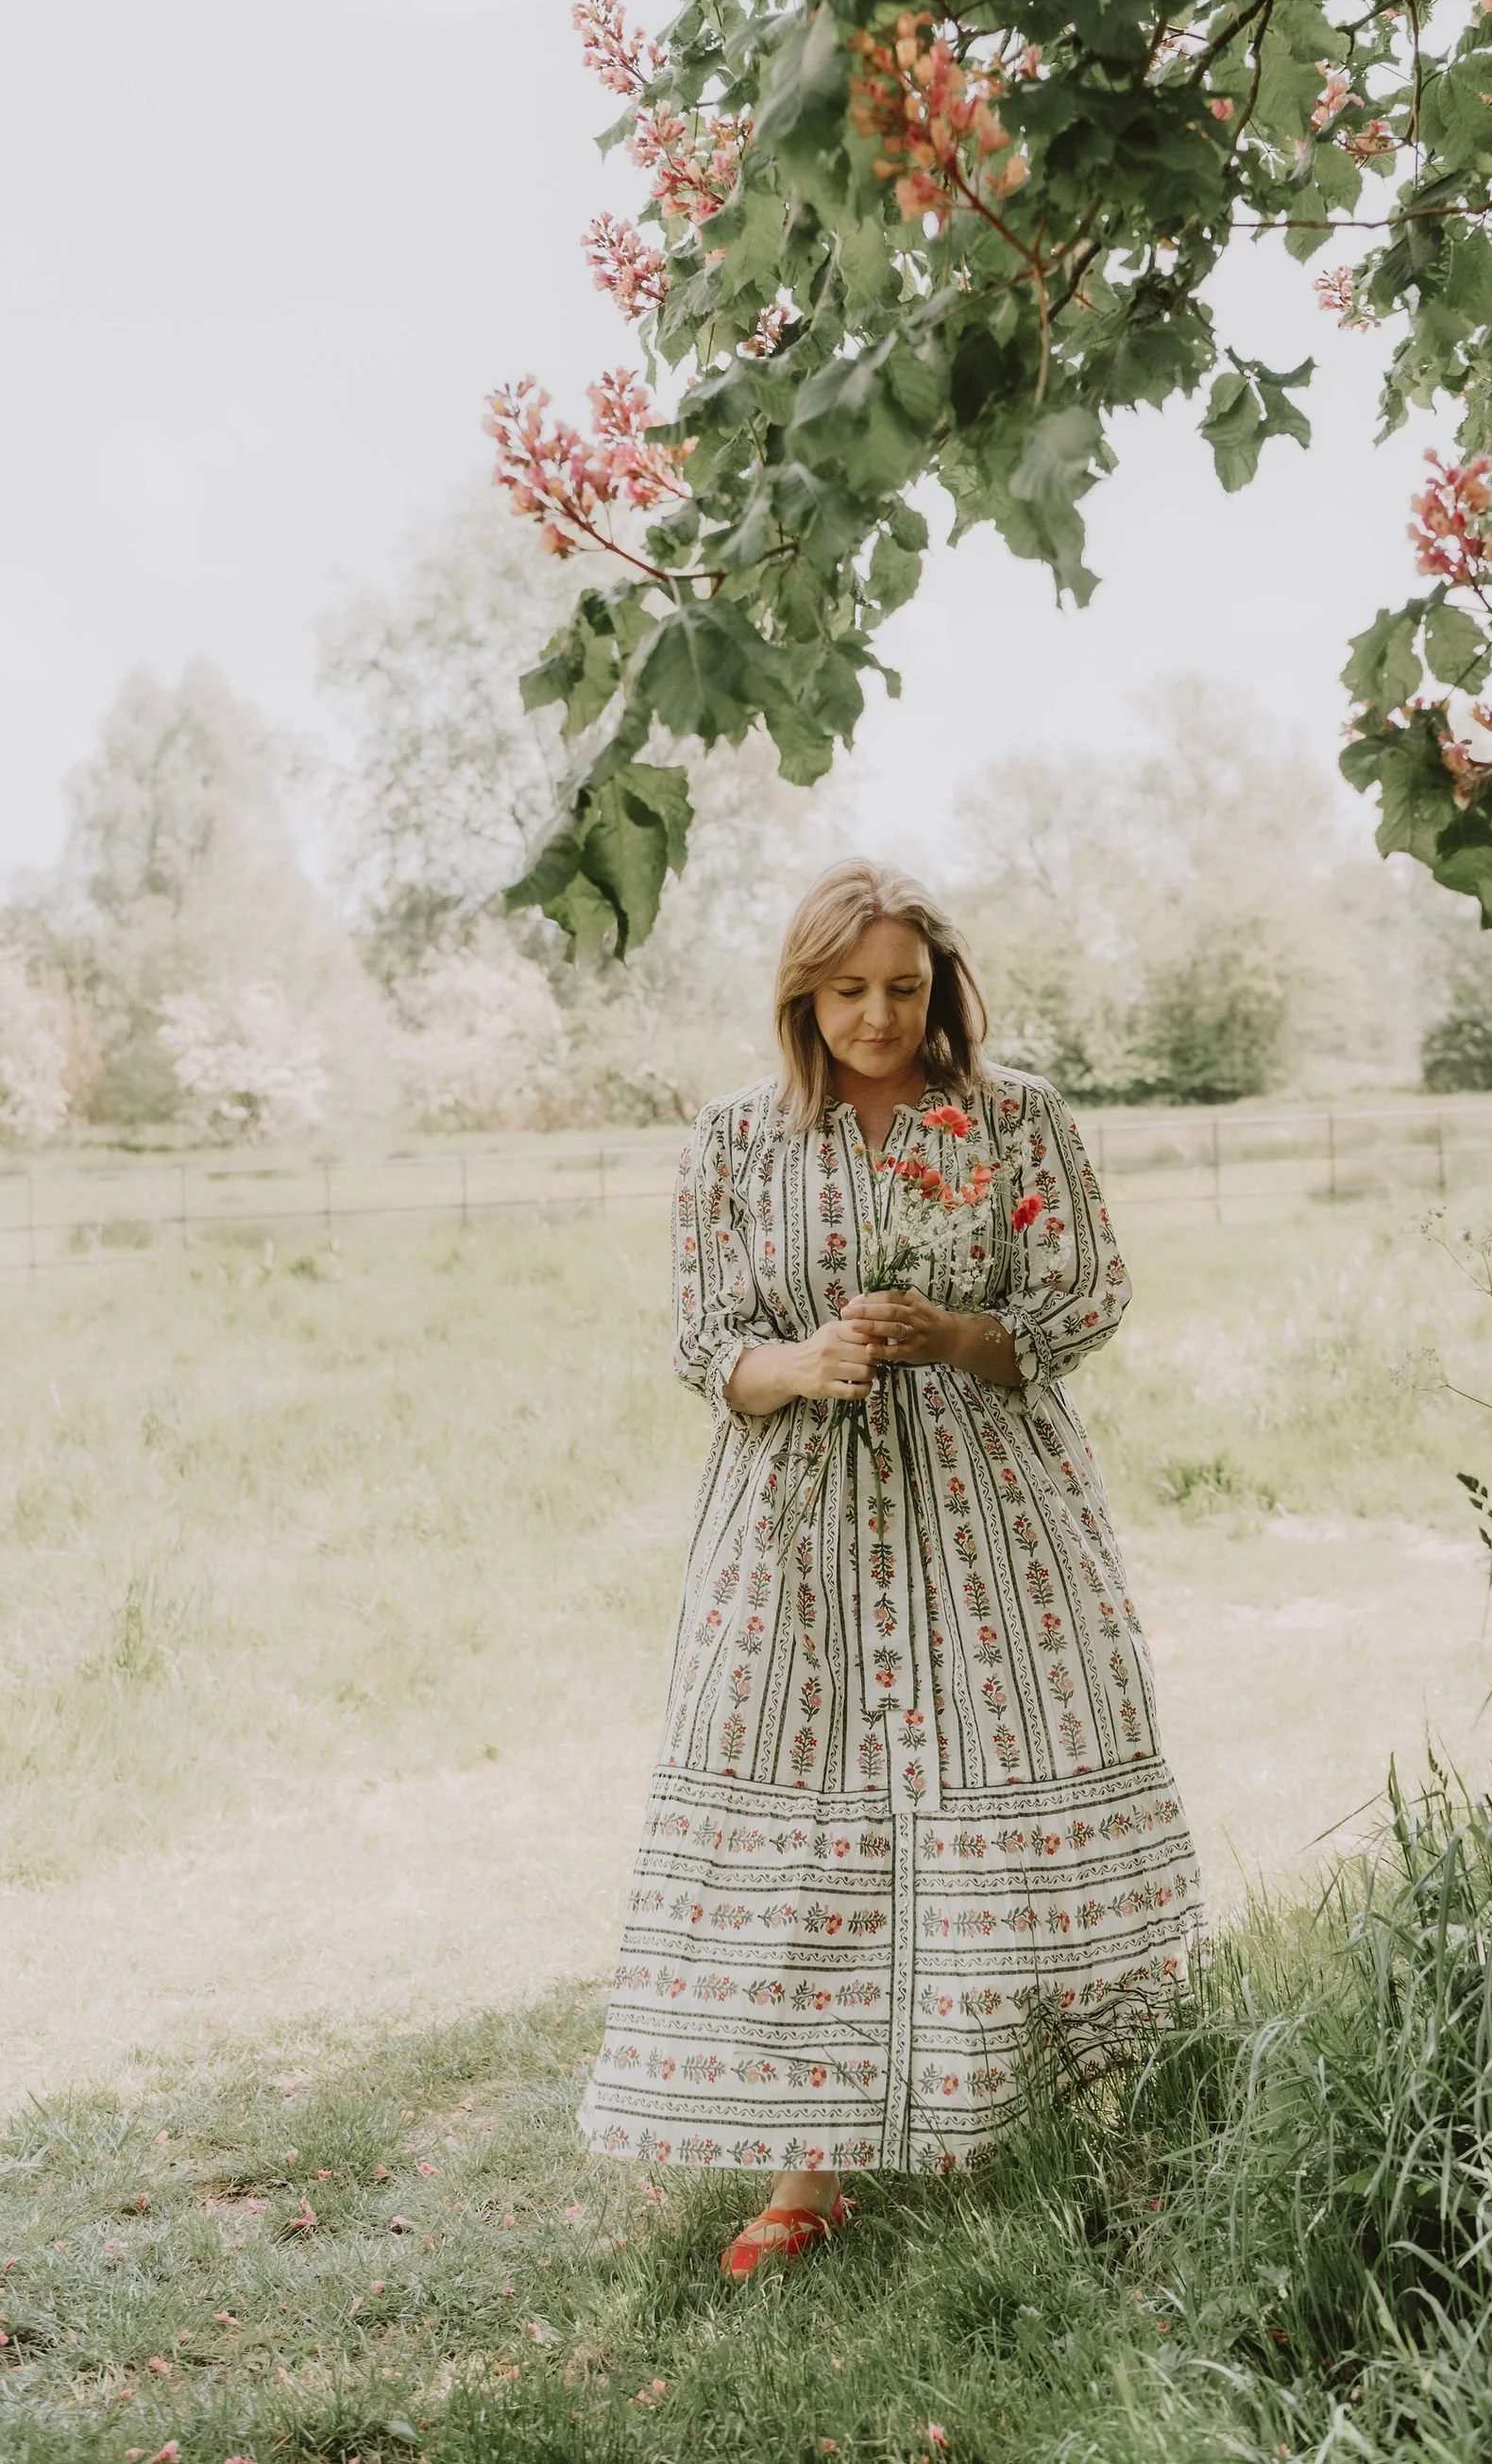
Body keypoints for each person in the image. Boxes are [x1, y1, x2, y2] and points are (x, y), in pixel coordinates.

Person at [579, 858, 1202, 2276]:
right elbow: (703, 1344)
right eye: (849, 990)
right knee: (817, 1811)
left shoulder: (1014, 1119)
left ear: (944, 987)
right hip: (801, 1516)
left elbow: (1087, 1289)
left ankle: (1091, 2134)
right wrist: (804, 1364)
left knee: (1025, 1779)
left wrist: (958, 1337)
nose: (878, 1016)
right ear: (804, 992)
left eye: (904, 989)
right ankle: (807, 2178)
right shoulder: (740, 1139)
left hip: (996, 1508)